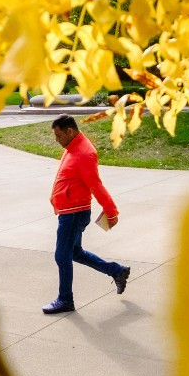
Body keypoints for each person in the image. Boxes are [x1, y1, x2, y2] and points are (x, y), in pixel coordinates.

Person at [44, 115, 129, 314]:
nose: (57, 140)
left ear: (69, 131)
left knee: (61, 256)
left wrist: (111, 211)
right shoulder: (73, 147)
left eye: (58, 135)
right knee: (75, 253)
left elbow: (96, 185)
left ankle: (65, 299)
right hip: (70, 211)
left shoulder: (83, 153)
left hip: (74, 214)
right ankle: (117, 271)